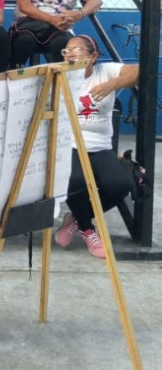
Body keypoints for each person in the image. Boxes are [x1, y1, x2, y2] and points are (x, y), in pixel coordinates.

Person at [56, 35, 138, 259]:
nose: (70, 54)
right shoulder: (59, 75)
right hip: (70, 144)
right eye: (67, 51)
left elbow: (137, 71)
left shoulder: (106, 71)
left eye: (77, 50)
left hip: (101, 146)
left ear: (94, 56)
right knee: (75, 181)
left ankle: (78, 219)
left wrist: (112, 84)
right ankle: (88, 230)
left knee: (120, 184)